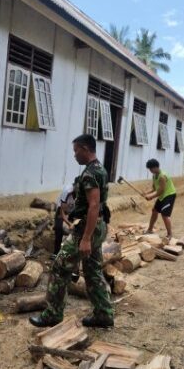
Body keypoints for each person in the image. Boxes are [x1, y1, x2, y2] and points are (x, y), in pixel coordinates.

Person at [30, 134, 114, 328]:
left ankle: (53, 314)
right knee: (92, 271)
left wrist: (85, 239)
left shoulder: (90, 174)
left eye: (76, 151)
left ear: (85, 149)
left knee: (59, 268)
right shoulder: (100, 169)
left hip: (87, 228)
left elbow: (93, 206)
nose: (75, 155)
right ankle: (103, 314)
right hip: (99, 225)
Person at [144, 159, 177, 240]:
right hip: (163, 196)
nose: (150, 170)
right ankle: (150, 230)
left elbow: (160, 191)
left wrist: (150, 196)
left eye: (151, 169)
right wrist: (146, 193)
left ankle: (170, 234)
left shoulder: (162, 176)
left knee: (164, 214)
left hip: (169, 195)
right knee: (154, 211)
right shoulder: (155, 175)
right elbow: (154, 188)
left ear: (155, 167)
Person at [51, 180, 77, 260]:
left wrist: (75, 222)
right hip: (61, 209)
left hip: (72, 210)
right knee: (59, 228)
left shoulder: (82, 193)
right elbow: (62, 213)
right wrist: (69, 224)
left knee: (78, 229)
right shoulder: (67, 191)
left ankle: (73, 253)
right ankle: (56, 252)